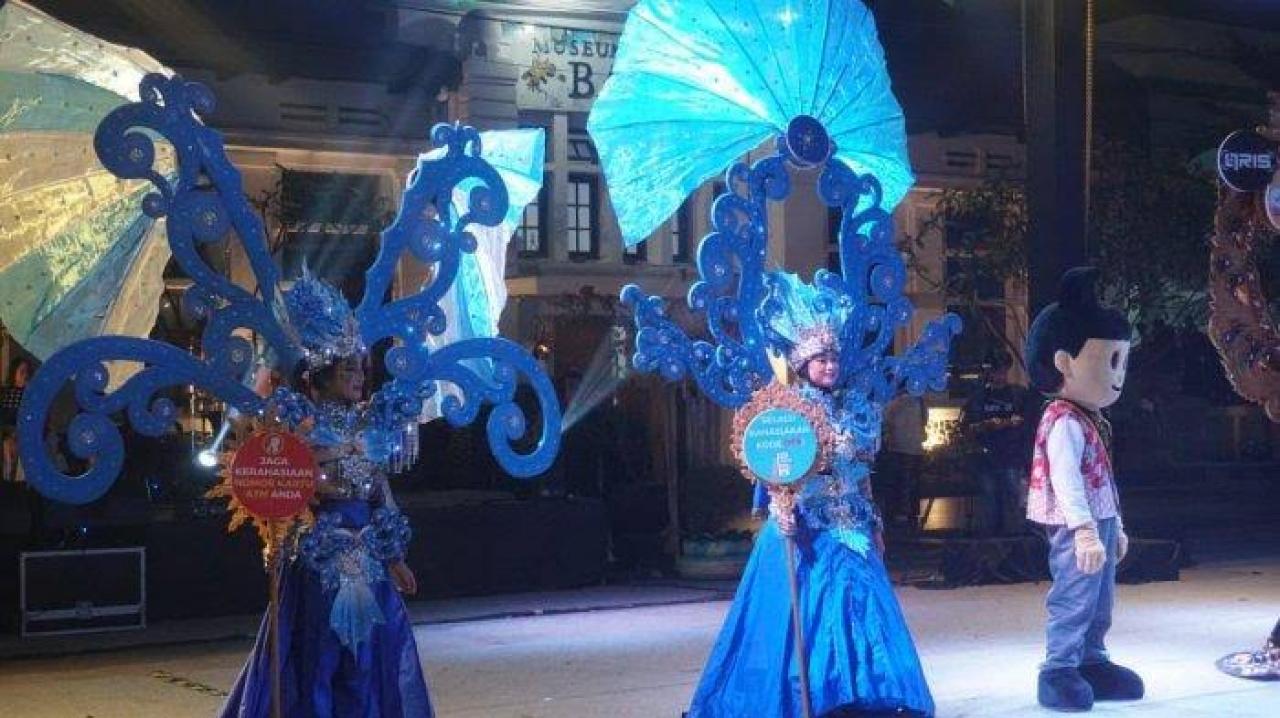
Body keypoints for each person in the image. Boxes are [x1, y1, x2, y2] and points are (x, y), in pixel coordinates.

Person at [687, 281, 934, 717]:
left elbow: (862, 474)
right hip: (807, 529)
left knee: (863, 608)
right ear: (803, 363)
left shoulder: (855, 409)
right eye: (821, 359)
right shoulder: (787, 413)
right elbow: (773, 469)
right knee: (809, 614)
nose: (830, 366)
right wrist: (780, 509)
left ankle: (858, 694)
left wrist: (875, 523)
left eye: (834, 358)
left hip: (852, 527)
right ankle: (814, 697)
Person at [220, 273, 433, 718]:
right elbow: (273, 480)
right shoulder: (298, 422)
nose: (359, 377)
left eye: (361, 368)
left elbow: (380, 492)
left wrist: (395, 558)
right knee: (317, 661)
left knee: (365, 664)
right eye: (349, 368)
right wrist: (281, 528)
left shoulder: (369, 422)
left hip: (368, 563)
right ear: (323, 373)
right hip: (317, 560)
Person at [1024, 267, 1144, 711]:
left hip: (1101, 518)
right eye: (1110, 361)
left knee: (1101, 596)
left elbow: (1103, 478)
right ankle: (1058, 669)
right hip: (1076, 524)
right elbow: (1066, 480)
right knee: (1075, 595)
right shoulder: (1063, 421)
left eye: (1121, 362)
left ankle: (1092, 660)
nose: (1118, 375)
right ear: (1064, 362)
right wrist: (1085, 531)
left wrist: (1116, 526)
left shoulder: (1089, 418)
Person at [960, 353, 1036, 536]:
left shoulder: (1018, 395)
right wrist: (987, 425)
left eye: (1003, 371)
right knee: (990, 497)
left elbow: (1028, 422)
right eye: (996, 371)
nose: (1000, 375)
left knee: (1011, 496)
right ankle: (992, 538)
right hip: (986, 457)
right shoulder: (979, 397)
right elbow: (967, 426)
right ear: (989, 372)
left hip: (1011, 455)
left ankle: (1012, 536)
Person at [879, 393, 927, 529]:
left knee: (898, 481)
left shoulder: (893, 402)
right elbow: (924, 420)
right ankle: (912, 512)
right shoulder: (919, 400)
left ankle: (899, 513)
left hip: (897, 447)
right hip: (915, 448)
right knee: (912, 482)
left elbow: (885, 420)